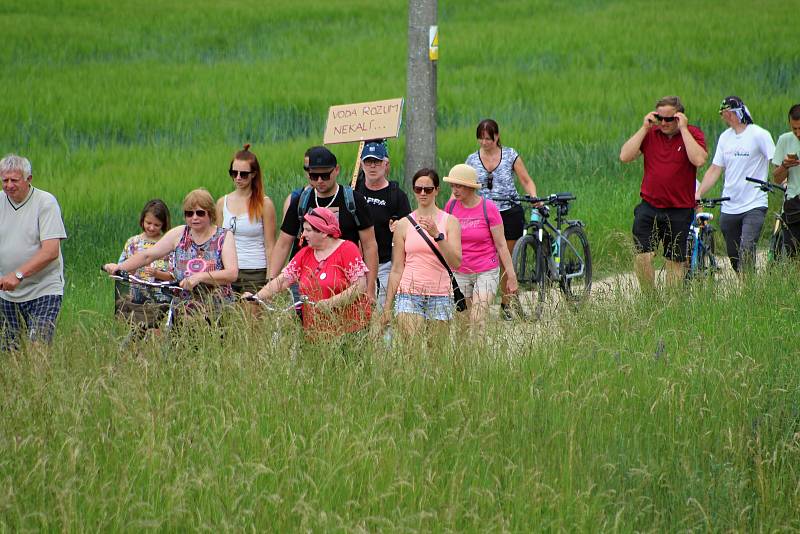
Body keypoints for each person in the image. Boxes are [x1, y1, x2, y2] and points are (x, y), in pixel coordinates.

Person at [619, 95, 708, 288]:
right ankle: (651, 300)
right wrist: (644, 128)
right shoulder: (651, 134)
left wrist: (683, 129)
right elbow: (625, 156)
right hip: (650, 205)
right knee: (642, 256)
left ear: (680, 117)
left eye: (670, 119)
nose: (664, 123)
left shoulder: (692, 134)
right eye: (660, 118)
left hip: (679, 208)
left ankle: (672, 305)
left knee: (674, 260)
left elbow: (699, 160)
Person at [270, 146, 378, 301]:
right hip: (305, 281)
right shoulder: (301, 201)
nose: (319, 180)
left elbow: (369, 246)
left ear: (336, 170)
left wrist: (370, 288)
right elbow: (283, 243)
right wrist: (271, 281)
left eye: (325, 175)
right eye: (314, 176)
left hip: (344, 281)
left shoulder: (354, 201)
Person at [104, 189, 238, 314]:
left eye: (200, 213)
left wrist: (200, 277)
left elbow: (232, 273)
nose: (194, 217)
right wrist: (120, 267)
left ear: (210, 213)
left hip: (216, 309)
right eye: (189, 213)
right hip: (183, 310)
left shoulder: (224, 236)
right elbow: (147, 255)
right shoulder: (179, 233)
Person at [246, 207, 370, 338]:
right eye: (303, 229)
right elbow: (283, 280)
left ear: (323, 232)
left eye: (308, 230)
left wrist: (331, 302)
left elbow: (360, 286)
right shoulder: (305, 253)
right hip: (314, 332)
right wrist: (256, 297)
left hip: (348, 330)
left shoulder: (347, 249)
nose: (303, 235)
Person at [465, 119, 538, 320]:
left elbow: (526, 180)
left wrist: (532, 197)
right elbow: (464, 185)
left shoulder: (510, 155)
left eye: (488, 138)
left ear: (497, 137)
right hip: (483, 215)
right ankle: (481, 302)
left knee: (506, 259)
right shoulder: (471, 160)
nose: (484, 142)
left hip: (508, 211)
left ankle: (506, 304)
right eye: (481, 138)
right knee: (487, 259)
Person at [696, 96, 775, 272]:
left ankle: (748, 288)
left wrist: (783, 181)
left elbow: (774, 161)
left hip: (754, 203)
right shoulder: (725, 138)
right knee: (734, 254)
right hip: (729, 206)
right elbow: (715, 169)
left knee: (747, 246)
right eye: (723, 113)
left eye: (726, 113)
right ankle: (746, 283)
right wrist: (698, 193)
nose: (725, 117)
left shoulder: (759, 134)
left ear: (735, 113)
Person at [383, 168, 462, 337]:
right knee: (412, 349)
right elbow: (397, 268)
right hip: (409, 293)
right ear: (413, 191)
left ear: (437, 190)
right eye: (418, 189)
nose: (423, 193)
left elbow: (456, 262)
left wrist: (437, 236)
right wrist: (388, 306)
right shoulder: (403, 224)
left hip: (440, 294)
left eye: (428, 189)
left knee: (436, 352)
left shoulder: (450, 222)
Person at [0, 154, 68, 350]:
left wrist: (18, 275)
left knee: (38, 347)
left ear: (28, 179)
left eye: (14, 180)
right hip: (7, 293)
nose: (9, 185)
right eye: (5, 180)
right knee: (10, 350)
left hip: (43, 288)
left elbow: (50, 251)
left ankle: (42, 381)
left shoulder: (45, 203)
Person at [444, 164, 518, 330]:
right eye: (452, 186)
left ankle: (479, 355)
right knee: (462, 322)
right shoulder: (451, 207)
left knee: (477, 317)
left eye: (459, 186)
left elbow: (501, 245)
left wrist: (511, 275)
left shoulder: (488, 208)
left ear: (470, 187)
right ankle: (465, 356)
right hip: (459, 271)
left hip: (486, 270)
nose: (454, 190)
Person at [354, 140, 411, 308]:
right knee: (358, 310)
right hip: (358, 264)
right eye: (368, 161)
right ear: (362, 165)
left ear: (386, 164)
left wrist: (399, 228)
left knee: (381, 310)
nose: (372, 166)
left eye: (377, 162)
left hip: (387, 263)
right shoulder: (353, 192)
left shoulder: (397, 196)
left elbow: (409, 231)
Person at [216, 144, 276, 294]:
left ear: (253, 174)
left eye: (243, 174)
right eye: (233, 173)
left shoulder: (264, 204)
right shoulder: (222, 203)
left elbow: (270, 245)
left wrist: (270, 280)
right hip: (228, 271)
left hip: (255, 271)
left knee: (252, 315)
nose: (238, 178)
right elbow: (218, 243)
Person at [115, 199, 174, 329]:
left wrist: (157, 274)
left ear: (163, 225)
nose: (151, 228)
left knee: (156, 328)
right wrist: (129, 271)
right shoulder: (133, 243)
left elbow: (174, 275)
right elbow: (121, 268)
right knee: (136, 328)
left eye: (157, 225)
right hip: (135, 297)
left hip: (160, 299)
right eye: (148, 223)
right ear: (142, 220)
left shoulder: (167, 244)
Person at [772, 103, 800, 256]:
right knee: (792, 255)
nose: (797, 133)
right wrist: (785, 166)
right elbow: (776, 178)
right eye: (794, 128)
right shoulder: (784, 140)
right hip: (793, 203)